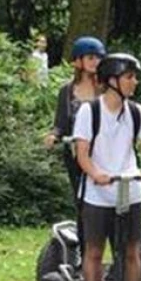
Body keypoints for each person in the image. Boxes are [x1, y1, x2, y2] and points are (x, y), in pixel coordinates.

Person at [74, 53, 141, 281]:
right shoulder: (90, 112)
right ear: (112, 81)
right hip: (98, 195)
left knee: (131, 252)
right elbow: (81, 153)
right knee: (95, 252)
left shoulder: (137, 112)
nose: (134, 82)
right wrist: (94, 172)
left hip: (129, 192)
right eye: (129, 77)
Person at [44, 36, 106, 196]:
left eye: (99, 58)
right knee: (80, 194)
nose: (95, 62)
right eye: (90, 58)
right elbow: (61, 123)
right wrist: (53, 135)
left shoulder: (107, 90)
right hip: (75, 150)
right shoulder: (67, 91)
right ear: (78, 61)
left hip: (103, 149)